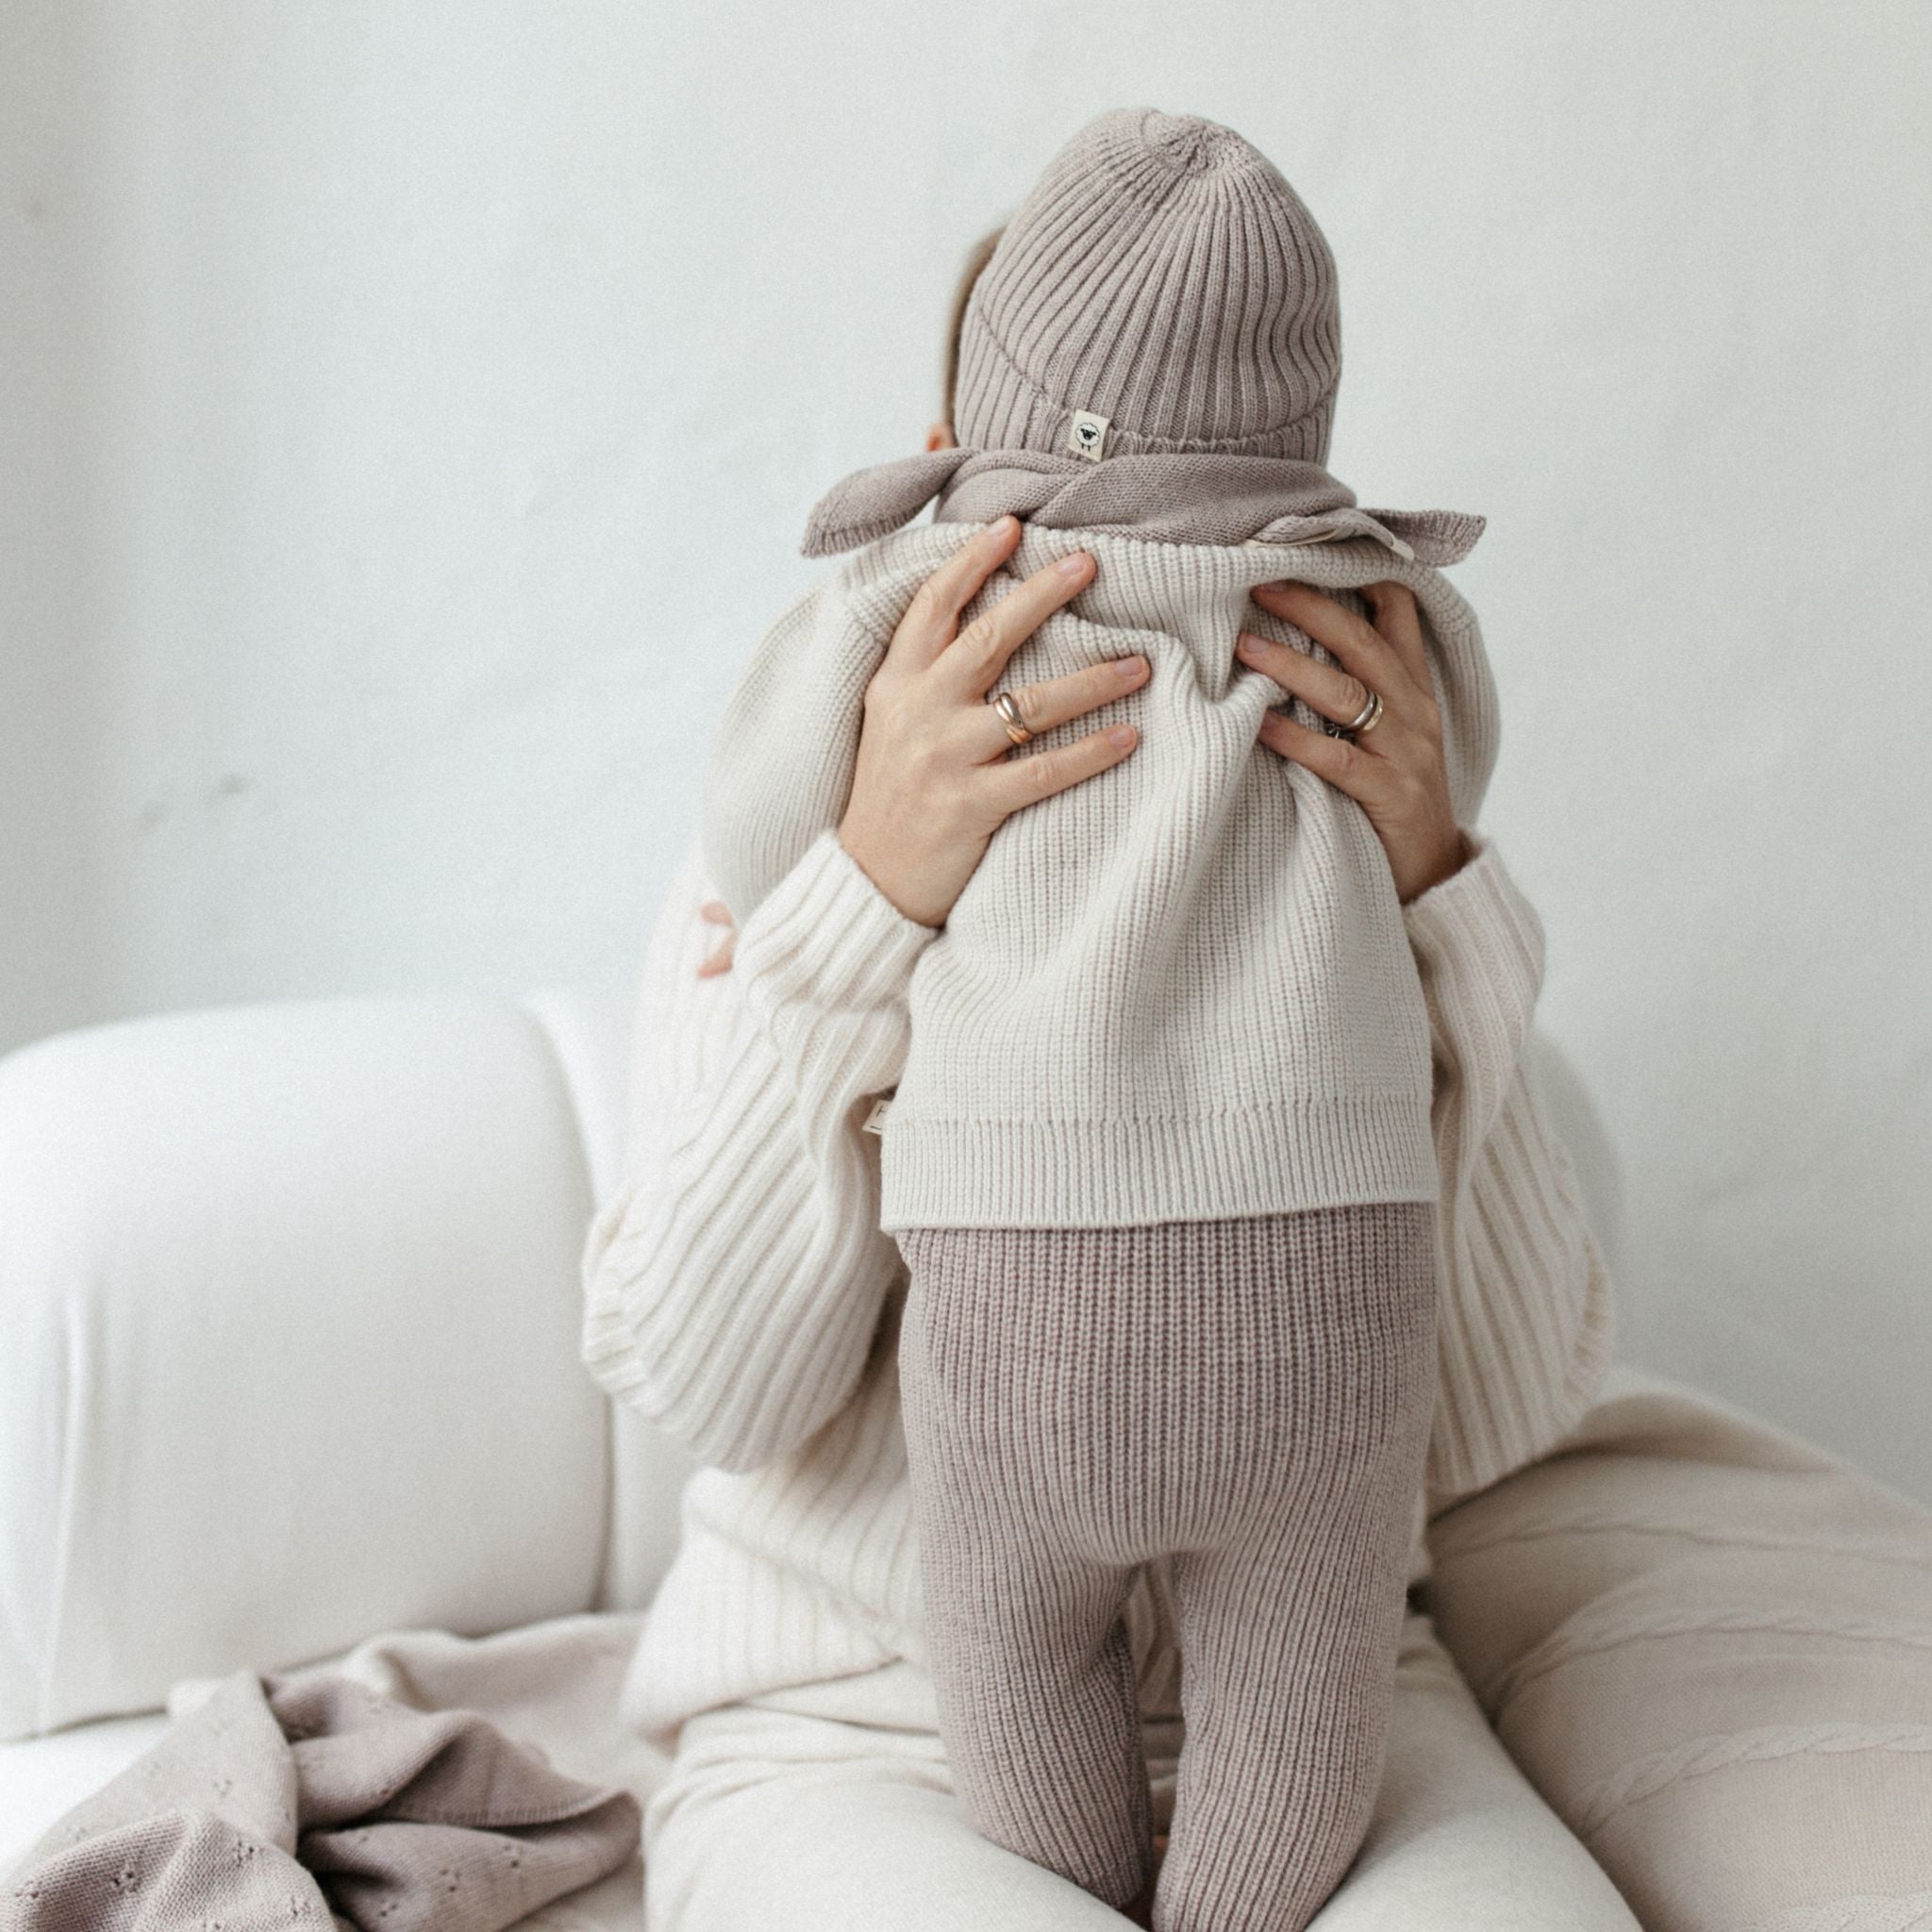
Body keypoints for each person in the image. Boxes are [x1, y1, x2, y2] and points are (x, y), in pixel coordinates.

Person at [579, 139, 1633, 1932]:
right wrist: (867, 914)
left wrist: (1436, 903)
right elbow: (703, 1386)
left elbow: (1501, 1416)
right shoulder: (778, 844)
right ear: (948, 487)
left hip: (1324, 1706)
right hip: (864, 1722)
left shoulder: (1328, 829)